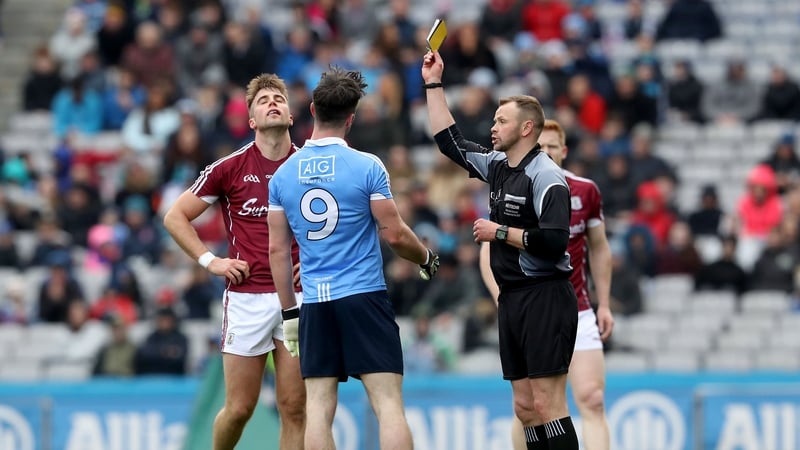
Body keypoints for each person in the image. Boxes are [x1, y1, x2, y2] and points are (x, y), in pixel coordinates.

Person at [267, 67, 439, 450]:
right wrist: (426, 258)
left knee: (319, 408)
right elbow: (394, 234)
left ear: (312, 109)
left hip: (314, 302)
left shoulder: (282, 176)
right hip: (363, 295)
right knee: (388, 404)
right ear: (352, 118)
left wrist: (290, 314)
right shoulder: (367, 166)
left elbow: (278, 251)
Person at [422, 50, 579, 450]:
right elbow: (449, 143)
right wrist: (434, 83)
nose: (493, 127)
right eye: (493, 120)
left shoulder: (548, 177)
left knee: (548, 404)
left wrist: (501, 232)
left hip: (545, 296)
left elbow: (555, 241)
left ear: (527, 128)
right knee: (525, 407)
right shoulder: (497, 166)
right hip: (512, 299)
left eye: (501, 120)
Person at [163, 73, 305, 450]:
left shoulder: (311, 166)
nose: (272, 102)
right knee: (240, 408)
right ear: (252, 120)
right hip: (246, 298)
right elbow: (174, 217)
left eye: (279, 98)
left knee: (294, 407)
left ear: (291, 115)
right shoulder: (230, 167)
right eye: (263, 100)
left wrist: (315, 260)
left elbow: (343, 221)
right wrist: (211, 261)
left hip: (301, 297)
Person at [479, 119, 613, 450]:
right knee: (529, 406)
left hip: (575, 307)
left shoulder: (586, 190)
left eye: (554, 146)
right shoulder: (517, 182)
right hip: (527, 302)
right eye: (544, 145)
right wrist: (501, 295)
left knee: (592, 399)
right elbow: (489, 248)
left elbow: (599, 247)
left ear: (564, 151)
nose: (548, 152)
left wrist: (605, 303)